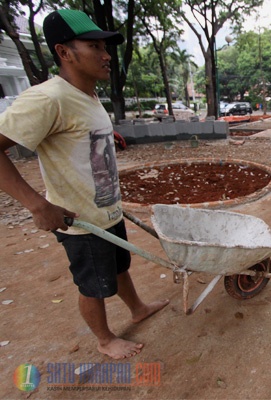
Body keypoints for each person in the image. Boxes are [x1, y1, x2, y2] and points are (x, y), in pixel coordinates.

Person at [0, 9, 168, 359]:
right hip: (80, 221)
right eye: (94, 46)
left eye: (105, 47)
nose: (106, 55)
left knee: (120, 267)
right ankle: (105, 339)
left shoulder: (88, 95)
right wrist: (37, 204)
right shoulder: (47, 98)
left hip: (107, 210)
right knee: (93, 286)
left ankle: (137, 308)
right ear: (64, 52)